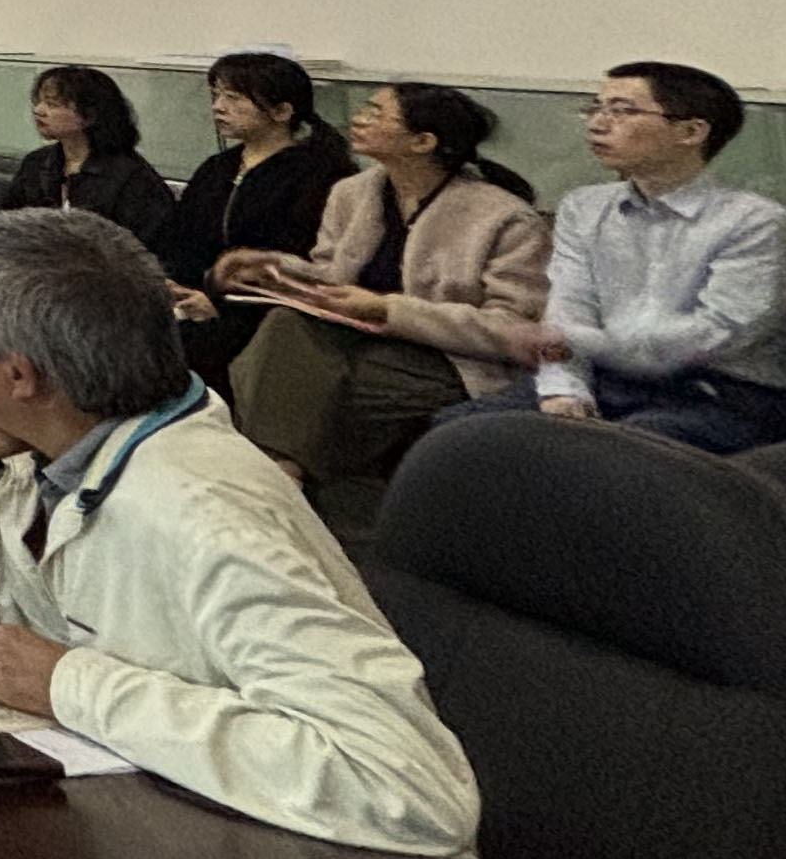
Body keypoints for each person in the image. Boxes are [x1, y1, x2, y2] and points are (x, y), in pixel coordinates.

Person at [0, 208, 477, 859]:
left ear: (19, 376)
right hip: (145, 835)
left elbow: (410, 793)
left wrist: (71, 685)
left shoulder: (209, 514)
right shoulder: (42, 448)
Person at [224, 85, 554, 530]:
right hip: (356, 340)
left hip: (448, 360)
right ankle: (290, 486)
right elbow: (330, 273)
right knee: (283, 327)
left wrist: (387, 310)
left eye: (377, 113)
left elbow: (513, 329)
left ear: (423, 141)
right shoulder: (352, 193)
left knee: (286, 387)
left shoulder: (504, 217)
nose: (359, 119)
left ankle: (275, 484)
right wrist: (276, 270)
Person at [452, 61, 786, 452]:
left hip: (720, 391)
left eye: (622, 111)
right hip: (608, 378)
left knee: (612, 456)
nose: (598, 123)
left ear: (691, 132)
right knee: (460, 434)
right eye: (595, 108)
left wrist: (578, 340)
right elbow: (569, 307)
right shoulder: (584, 207)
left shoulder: (755, 221)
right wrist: (564, 388)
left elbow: (716, 333)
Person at [155, 52, 355, 372]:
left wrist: (218, 305)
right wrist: (175, 285)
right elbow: (181, 239)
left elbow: (303, 264)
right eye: (216, 95)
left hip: (267, 317)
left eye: (233, 98)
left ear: (281, 111)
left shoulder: (320, 175)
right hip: (199, 303)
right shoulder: (217, 168)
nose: (218, 107)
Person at [0, 65, 176, 242]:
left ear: (89, 115)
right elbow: (7, 224)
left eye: (52, 104)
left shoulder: (132, 177)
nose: (38, 110)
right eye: (38, 102)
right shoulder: (36, 162)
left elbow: (144, 247)